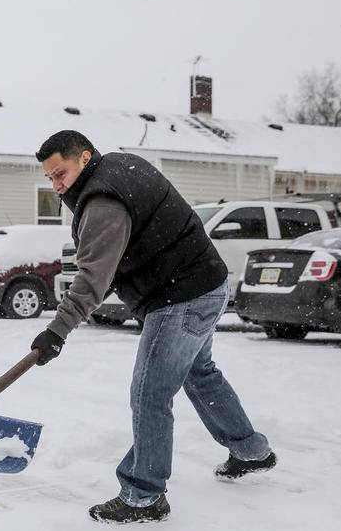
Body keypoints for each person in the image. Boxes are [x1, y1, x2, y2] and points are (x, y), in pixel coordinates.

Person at [30, 130, 276, 524]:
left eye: (60, 174)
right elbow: (117, 258)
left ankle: (143, 494)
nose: (57, 186)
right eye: (50, 179)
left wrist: (56, 331)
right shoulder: (121, 167)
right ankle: (251, 451)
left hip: (179, 298)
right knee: (200, 374)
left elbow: (93, 278)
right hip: (206, 284)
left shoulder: (104, 201)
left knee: (150, 393)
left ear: (84, 157)